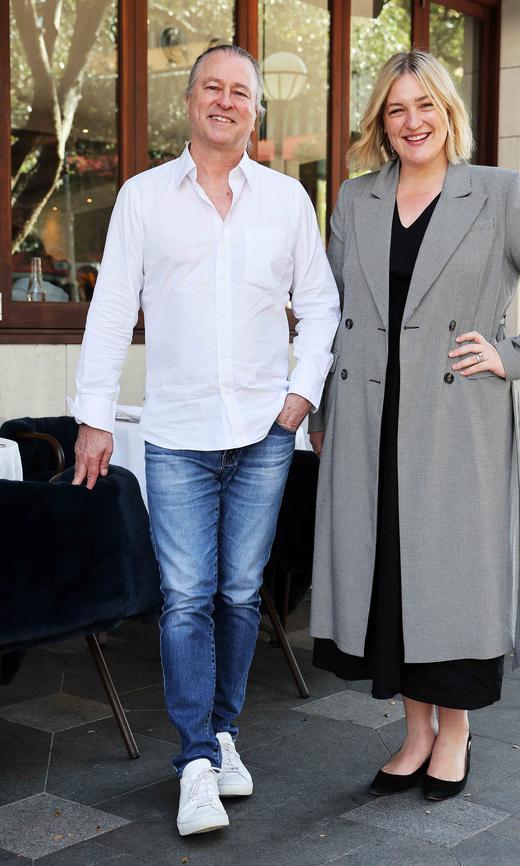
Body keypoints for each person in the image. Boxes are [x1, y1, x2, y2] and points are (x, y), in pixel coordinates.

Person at [309, 49, 520, 802]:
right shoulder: (355, 199)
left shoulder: (497, 194)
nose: (412, 121)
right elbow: (332, 314)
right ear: (382, 122)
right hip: (369, 419)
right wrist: (326, 414)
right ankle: (414, 731)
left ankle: (455, 733)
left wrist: (515, 354)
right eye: (397, 109)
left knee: (452, 579)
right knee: (390, 576)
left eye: (425, 105)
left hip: (457, 418)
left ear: (448, 113)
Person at [71, 44, 339, 835]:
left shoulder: (288, 202)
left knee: (240, 593)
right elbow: (112, 310)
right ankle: (194, 761)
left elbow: (320, 306)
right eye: (212, 89)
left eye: (241, 93)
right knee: (186, 598)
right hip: (180, 432)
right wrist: (93, 415)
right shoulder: (143, 198)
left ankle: (224, 734)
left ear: (257, 111)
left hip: (264, 433)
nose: (226, 102)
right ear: (188, 103)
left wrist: (302, 392)